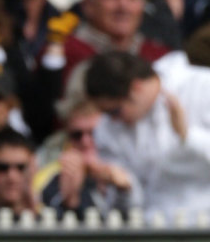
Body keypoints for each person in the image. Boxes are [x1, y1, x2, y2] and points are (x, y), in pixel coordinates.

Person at [84, 50, 210, 226]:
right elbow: (128, 206)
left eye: (115, 111)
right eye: (105, 113)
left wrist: (188, 136)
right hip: (154, 231)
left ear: (137, 87)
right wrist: (124, 187)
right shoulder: (107, 128)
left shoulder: (203, 86)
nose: (112, 119)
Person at [34, 97, 140, 222]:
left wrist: (124, 189)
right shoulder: (55, 178)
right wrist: (71, 201)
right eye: (77, 135)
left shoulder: (128, 164)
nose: (85, 141)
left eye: (94, 133)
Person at [0, 127, 39, 225]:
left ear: (34, 168)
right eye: (2, 168)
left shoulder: (54, 210)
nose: (12, 177)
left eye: (21, 168)